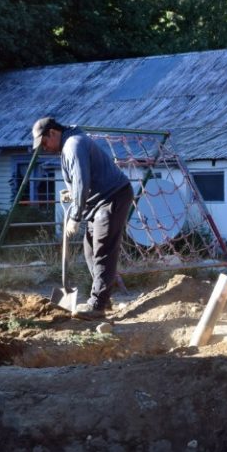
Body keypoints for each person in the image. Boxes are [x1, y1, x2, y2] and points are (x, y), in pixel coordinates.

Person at [31, 116, 135, 320]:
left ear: (52, 132)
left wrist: (75, 216)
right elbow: (86, 177)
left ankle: (97, 305)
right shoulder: (71, 142)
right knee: (90, 251)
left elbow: (82, 179)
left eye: (44, 142)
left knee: (103, 250)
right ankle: (105, 293)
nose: (44, 147)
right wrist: (72, 193)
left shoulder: (73, 144)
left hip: (112, 197)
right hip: (98, 201)